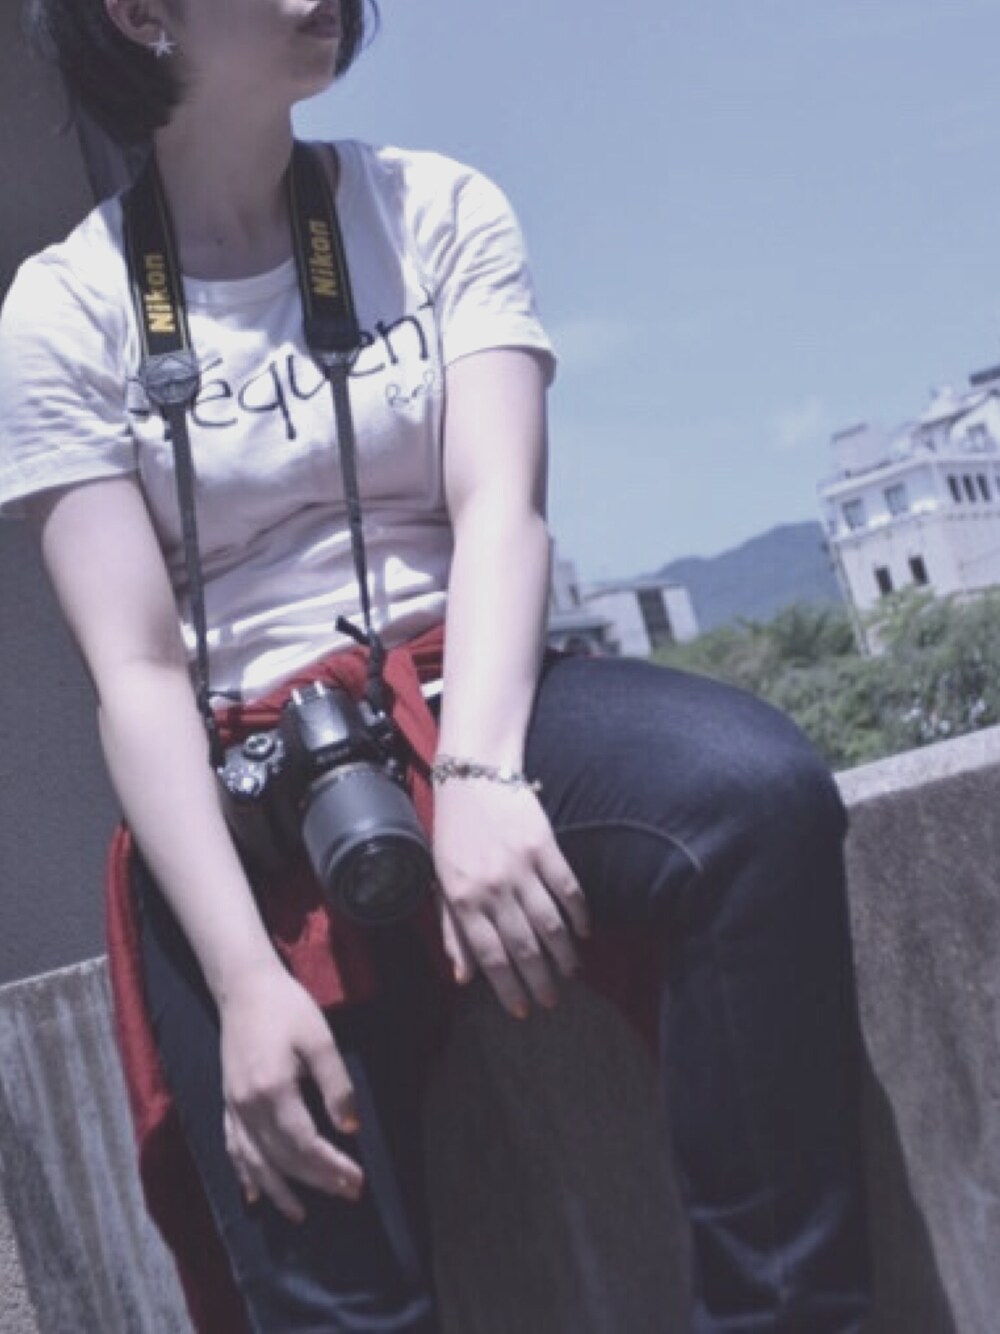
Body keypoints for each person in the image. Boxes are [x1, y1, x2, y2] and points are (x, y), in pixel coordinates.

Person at [0, 1, 872, 1330]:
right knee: (301, 1186)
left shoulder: (432, 208)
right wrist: (243, 978)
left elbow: (502, 513)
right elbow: (135, 671)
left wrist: (476, 773)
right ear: (140, 12)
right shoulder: (65, 312)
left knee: (749, 797)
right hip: (244, 771)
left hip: (467, 683)